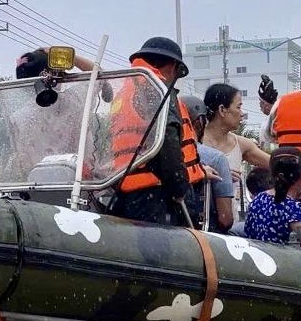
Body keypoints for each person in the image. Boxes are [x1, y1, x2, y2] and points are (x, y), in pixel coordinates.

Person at [109, 37, 205, 225]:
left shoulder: (126, 92)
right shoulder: (158, 90)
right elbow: (167, 141)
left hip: (129, 192)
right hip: (156, 197)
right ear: (172, 66)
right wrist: (179, 188)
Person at [201, 83, 272, 225]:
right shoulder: (192, 144)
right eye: (238, 107)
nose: (242, 113)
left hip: (229, 223)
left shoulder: (242, 144)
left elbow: (280, 165)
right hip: (201, 224)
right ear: (222, 110)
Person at [181, 94, 235, 232]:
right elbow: (225, 220)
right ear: (199, 122)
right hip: (206, 239)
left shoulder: (160, 155)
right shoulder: (216, 159)